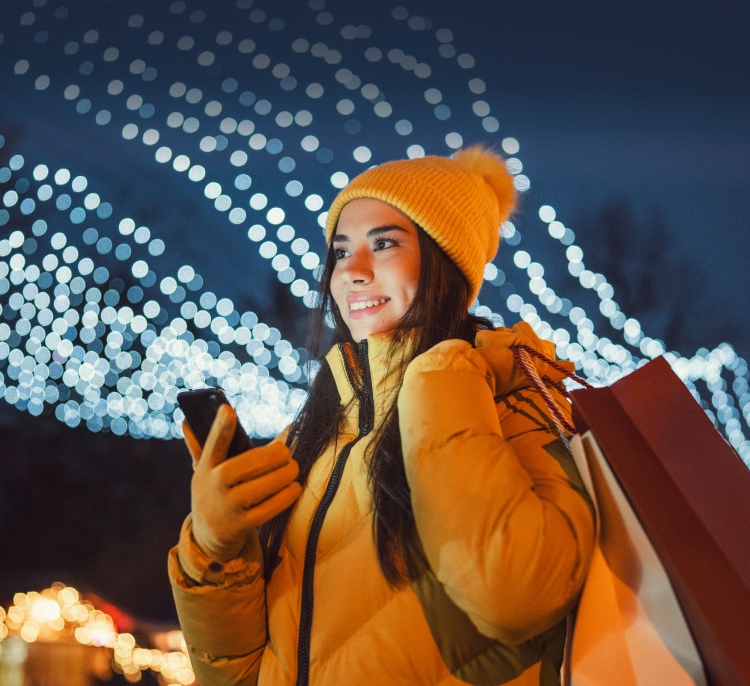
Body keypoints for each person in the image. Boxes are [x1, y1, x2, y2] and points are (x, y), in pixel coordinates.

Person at [169, 145, 595, 686]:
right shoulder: (307, 437)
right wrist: (215, 551)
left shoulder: (515, 405)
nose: (352, 272)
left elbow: (516, 596)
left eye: (385, 243)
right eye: (341, 252)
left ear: (446, 261)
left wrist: (441, 378)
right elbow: (237, 677)